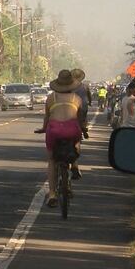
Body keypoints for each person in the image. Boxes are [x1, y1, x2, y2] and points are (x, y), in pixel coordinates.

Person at [37, 70, 85, 207]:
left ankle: (52, 193)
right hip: (72, 130)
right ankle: (74, 164)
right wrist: (83, 128)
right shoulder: (77, 98)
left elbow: (47, 117)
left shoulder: (51, 98)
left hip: (54, 130)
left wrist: (43, 128)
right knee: (77, 139)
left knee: (52, 160)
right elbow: (80, 119)